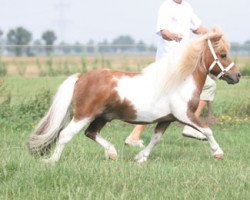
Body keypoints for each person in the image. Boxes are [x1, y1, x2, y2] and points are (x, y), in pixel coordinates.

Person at [125, 0, 216, 147]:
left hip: (183, 60)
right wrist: (173, 36)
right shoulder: (166, 7)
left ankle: (134, 136)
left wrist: (213, 33)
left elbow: (197, 27)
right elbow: (163, 32)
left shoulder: (186, 6)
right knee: (206, 86)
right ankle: (190, 125)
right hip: (168, 60)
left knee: (163, 99)